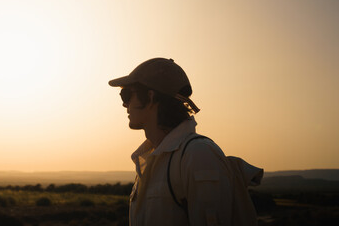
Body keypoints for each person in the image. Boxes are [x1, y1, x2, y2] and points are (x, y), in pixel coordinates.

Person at [108, 58, 263, 226]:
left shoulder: (198, 155)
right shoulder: (149, 160)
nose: (125, 105)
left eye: (127, 95)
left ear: (151, 97)